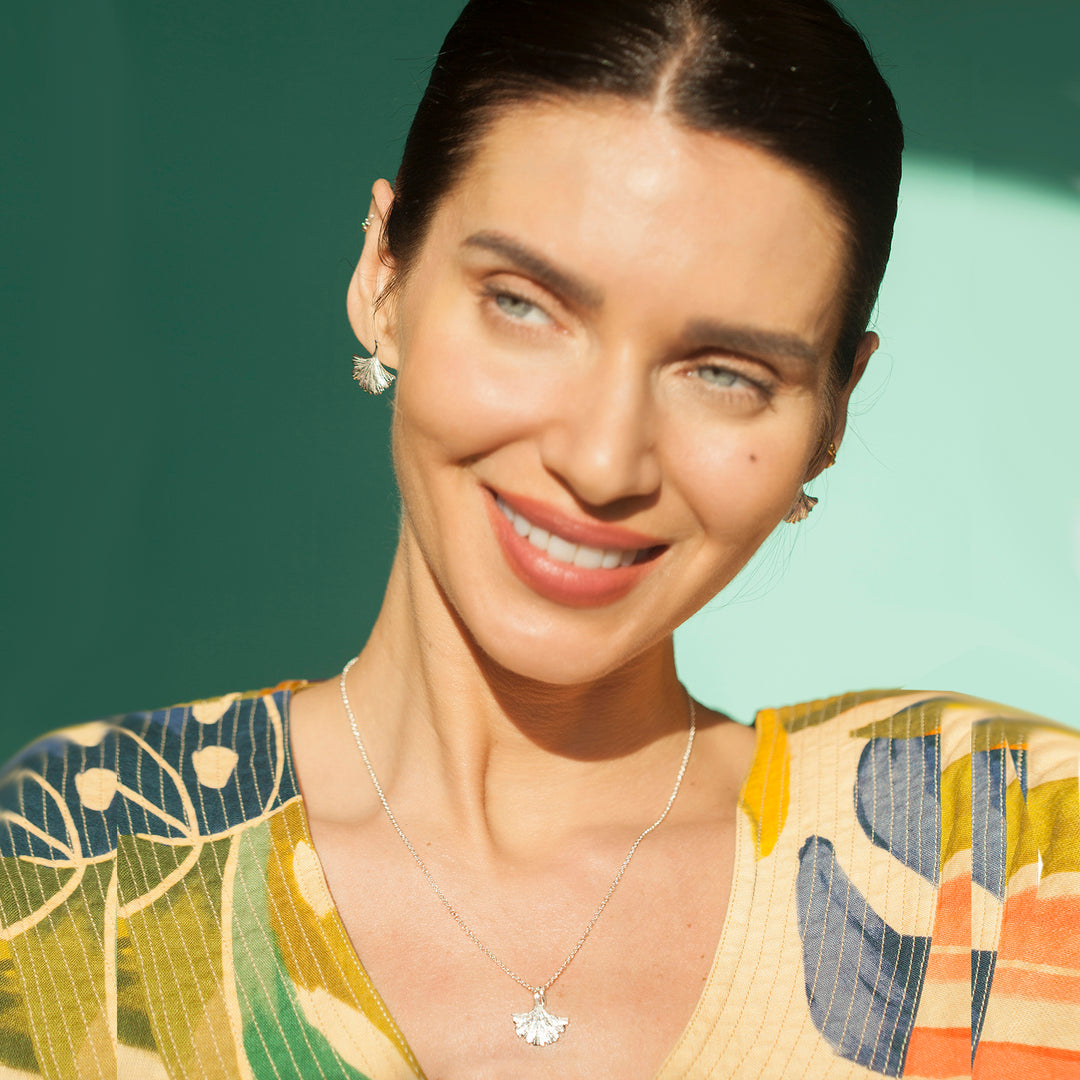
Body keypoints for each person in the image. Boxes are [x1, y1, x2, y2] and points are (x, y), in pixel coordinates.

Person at [1, 1, 1077, 1077]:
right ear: (385, 275)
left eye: (723, 372)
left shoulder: (996, 867)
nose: (604, 463)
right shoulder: (76, 860)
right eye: (525, 305)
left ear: (833, 415)